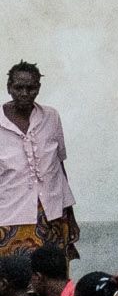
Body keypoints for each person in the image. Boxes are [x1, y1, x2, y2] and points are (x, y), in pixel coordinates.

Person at [0, 60, 78, 260]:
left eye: (31, 88)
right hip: (9, 216)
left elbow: (59, 167)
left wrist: (71, 216)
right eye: (19, 87)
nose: (25, 93)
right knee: (14, 280)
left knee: (52, 280)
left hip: (51, 215)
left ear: (38, 88)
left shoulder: (50, 117)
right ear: (9, 88)